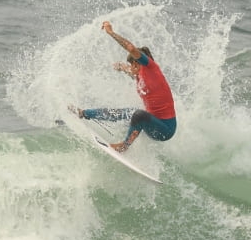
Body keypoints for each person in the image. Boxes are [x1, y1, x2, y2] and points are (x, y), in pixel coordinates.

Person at [71, 21, 176, 152]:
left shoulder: (151, 68)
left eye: (133, 65)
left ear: (138, 63)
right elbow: (130, 71)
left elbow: (131, 49)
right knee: (124, 113)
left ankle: (123, 146)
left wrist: (111, 33)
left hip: (165, 130)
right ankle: (84, 113)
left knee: (138, 115)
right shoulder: (139, 74)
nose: (131, 68)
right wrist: (120, 67)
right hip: (151, 125)